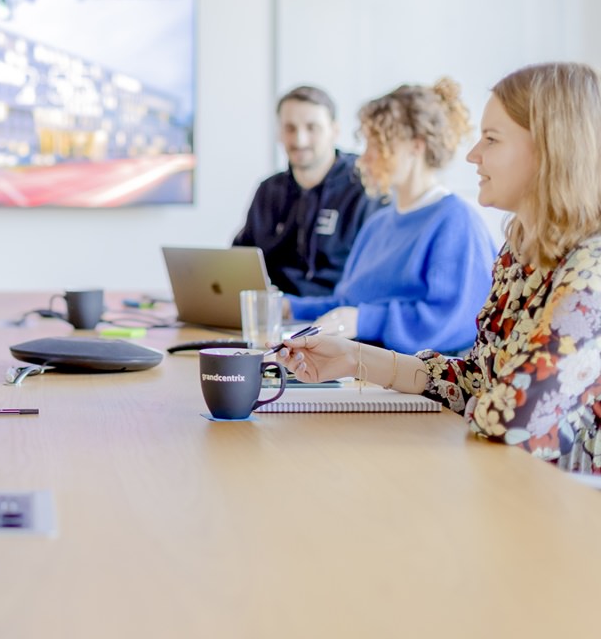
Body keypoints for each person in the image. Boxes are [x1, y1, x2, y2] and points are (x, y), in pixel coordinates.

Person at [280, 62, 601, 474]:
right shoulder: (518, 254)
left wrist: (482, 392)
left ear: (551, 147)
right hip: (508, 481)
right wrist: (351, 358)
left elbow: (509, 418)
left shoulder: (590, 274)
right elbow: (476, 381)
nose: (472, 154)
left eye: (491, 139)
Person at [282, 78, 495, 354]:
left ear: (416, 146)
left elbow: (451, 322)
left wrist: (365, 321)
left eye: (376, 145)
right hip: (359, 368)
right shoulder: (378, 225)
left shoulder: (455, 222)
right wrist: (288, 307)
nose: (363, 158)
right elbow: (347, 307)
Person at [234, 86, 383, 297]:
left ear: (334, 130)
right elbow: (240, 261)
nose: (299, 140)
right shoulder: (268, 190)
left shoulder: (365, 187)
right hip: (276, 316)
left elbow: (376, 275)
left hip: (336, 317)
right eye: (290, 128)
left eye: (312, 128)